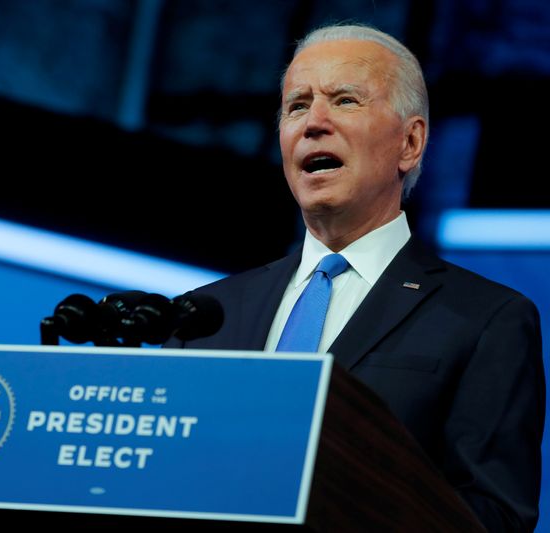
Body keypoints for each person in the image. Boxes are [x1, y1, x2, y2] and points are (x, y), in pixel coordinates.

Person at [164, 23, 544, 532]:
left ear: (410, 143)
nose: (313, 123)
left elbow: (493, 518)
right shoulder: (204, 315)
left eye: (345, 100)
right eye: (297, 105)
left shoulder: (485, 321)